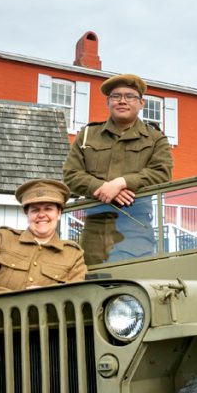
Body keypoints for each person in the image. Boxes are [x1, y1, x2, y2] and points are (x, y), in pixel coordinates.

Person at [62, 73, 173, 265]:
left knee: (134, 285)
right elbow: (71, 175)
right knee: (93, 285)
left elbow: (162, 173)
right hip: (94, 226)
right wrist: (104, 188)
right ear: (108, 102)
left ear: (141, 103)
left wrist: (121, 183)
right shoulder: (88, 135)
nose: (122, 101)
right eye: (116, 96)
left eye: (129, 96)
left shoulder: (155, 139)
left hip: (135, 225)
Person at [0, 178, 87, 292]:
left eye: (48, 209)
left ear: (59, 213)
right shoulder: (2, 238)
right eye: (35, 210)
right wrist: (18, 300)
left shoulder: (74, 255)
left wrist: (45, 295)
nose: (41, 215)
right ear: (27, 213)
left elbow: (77, 293)